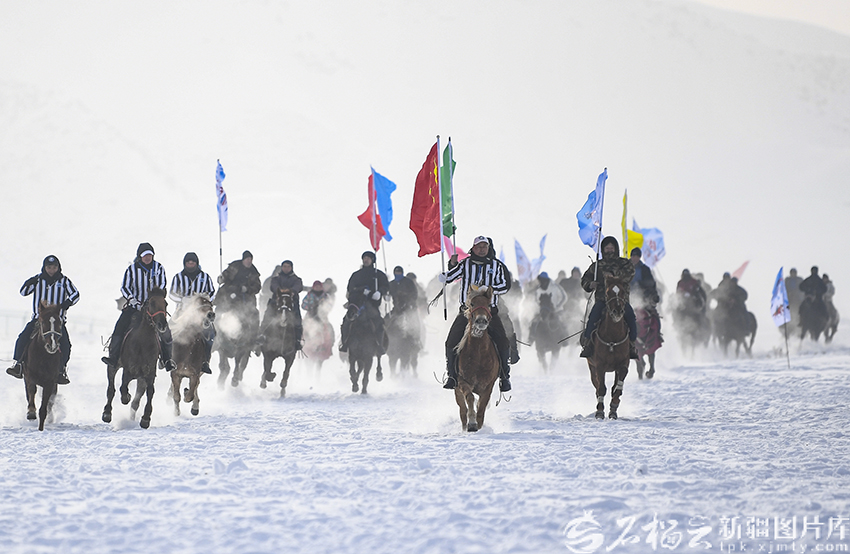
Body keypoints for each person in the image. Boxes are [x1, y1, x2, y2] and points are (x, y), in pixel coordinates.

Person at [440, 235, 513, 392]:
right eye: (479, 247)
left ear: (488, 248)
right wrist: (448, 270)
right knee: (451, 341)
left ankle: (504, 376)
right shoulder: (465, 264)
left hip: (489, 312)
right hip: (467, 312)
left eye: (484, 247)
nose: (481, 249)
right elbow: (451, 277)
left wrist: (490, 289)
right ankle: (452, 376)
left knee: (503, 341)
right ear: (473, 248)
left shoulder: (496, 265)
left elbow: (505, 285)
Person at [102, 243, 175, 371]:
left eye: (150, 255)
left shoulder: (158, 268)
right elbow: (125, 287)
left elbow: (162, 284)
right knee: (119, 327)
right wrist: (133, 300)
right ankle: (114, 357)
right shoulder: (131, 270)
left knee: (165, 332)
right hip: (135, 307)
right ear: (140, 256)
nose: (147, 257)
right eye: (145, 255)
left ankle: (167, 359)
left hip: (153, 308)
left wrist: (154, 297)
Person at [6, 255, 79, 384]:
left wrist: (66, 304)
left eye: (54, 267)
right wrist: (30, 281)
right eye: (49, 267)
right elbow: (23, 292)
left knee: (66, 344)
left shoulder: (64, 281)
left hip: (57, 321)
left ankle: (61, 370)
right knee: (23, 338)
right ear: (44, 268)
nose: (51, 270)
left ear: (58, 268)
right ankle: (18, 364)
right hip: (39, 320)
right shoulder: (38, 280)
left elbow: (76, 294)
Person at [579, 236, 638, 359]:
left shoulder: (624, 263)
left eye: (612, 248)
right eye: (607, 248)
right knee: (593, 316)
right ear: (603, 250)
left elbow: (630, 274)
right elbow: (585, 279)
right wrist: (590, 284)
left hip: (621, 300)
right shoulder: (597, 266)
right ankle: (588, 344)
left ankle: (632, 345)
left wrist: (613, 275)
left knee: (631, 317)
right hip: (602, 300)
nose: (609, 250)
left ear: (616, 249)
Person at [169, 252, 216, 374]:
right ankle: (167, 358)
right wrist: (182, 300)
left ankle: (205, 361)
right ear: (184, 264)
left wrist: (206, 300)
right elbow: (171, 294)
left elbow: (212, 293)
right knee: (167, 331)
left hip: (200, 314)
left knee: (210, 333)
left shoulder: (204, 277)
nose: (190, 264)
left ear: (196, 263)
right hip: (182, 312)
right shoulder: (178, 277)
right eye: (188, 263)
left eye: (193, 262)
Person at [339, 251, 389, 353]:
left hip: (372, 304)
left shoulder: (378, 275)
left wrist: (379, 292)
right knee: (346, 321)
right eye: (364, 258)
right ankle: (345, 343)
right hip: (357, 303)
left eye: (368, 258)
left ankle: (380, 345)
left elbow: (385, 286)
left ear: (372, 260)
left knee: (378, 322)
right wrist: (359, 291)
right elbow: (350, 288)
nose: (366, 260)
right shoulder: (356, 275)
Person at [217, 250, 262, 340]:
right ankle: (215, 334)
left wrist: (247, 289)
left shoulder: (254, 272)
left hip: (246, 299)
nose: (249, 261)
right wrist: (221, 278)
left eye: (250, 260)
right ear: (243, 260)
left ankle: (254, 338)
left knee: (254, 315)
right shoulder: (234, 267)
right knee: (218, 312)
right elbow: (225, 275)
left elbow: (257, 287)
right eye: (247, 259)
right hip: (229, 295)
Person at [259, 259, 304, 349]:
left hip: (292, 302)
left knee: (297, 319)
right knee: (267, 316)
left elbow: (298, 286)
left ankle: (298, 340)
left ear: (291, 268)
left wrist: (292, 291)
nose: (286, 268)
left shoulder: (296, 279)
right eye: (284, 266)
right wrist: (279, 291)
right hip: (276, 301)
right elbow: (273, 286)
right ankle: (262, 335)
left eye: (288, 267)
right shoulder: (276, 279)